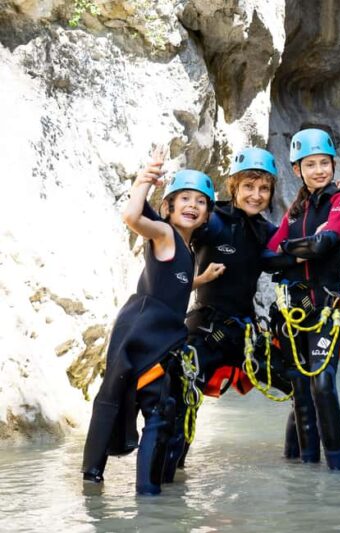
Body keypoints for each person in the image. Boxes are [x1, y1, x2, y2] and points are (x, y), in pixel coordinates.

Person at [82, 147, 216, 495]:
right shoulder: (165, 235)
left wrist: (201, 280)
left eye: (200, 202)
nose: (192, 205)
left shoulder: (185, 251)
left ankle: (115, 484)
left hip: (160, 335)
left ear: (207, 215)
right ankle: (141, 492)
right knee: (133, 403)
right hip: (143, 332)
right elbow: (131, 216)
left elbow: (174, 282)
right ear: (168, 208)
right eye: (183, 198)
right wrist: (145, 179)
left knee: (155, 409)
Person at [173, 147, 298, 473]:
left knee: (302, 388)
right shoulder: (213, 220)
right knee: (185, 400)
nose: (256, 195)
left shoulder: (266, 233)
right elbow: (176, 225)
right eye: (248, 187)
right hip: (204, 330)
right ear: (234, 186)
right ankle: (171, 476)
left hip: (244, 334)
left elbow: (290, 255)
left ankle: (300, 468)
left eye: (263, 189)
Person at [263, 128, 340, 471]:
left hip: (325, 306)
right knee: (300, 388)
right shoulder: (296, 211)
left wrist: (292, 250)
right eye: (310, 164)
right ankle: (305, 473)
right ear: (297, 170)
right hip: (293, 310)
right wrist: (300, 251)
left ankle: (337, 470)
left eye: (324, 163)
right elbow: (266, 257)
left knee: (322, 383)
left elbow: (326, 243)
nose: (319, 170)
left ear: (333, 164)